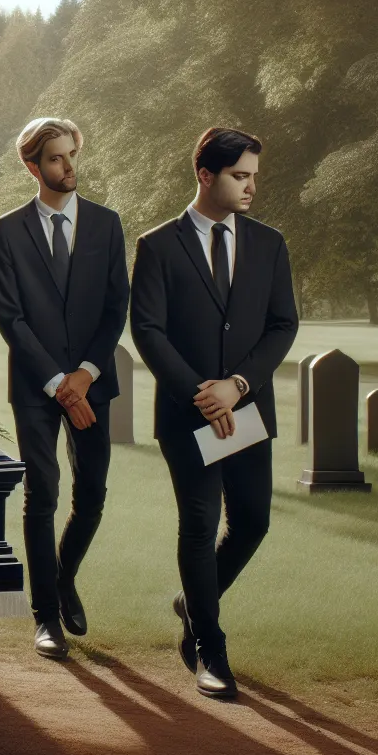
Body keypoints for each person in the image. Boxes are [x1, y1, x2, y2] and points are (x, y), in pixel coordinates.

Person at [129, 127, 298, 700]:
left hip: (248, 407)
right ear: (206, 175)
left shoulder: (270, 244)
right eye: (240, 175)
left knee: (253, 522)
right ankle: (210, 647)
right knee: (200, 525)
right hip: (188, 412)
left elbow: (283, 325)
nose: (252, 186)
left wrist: (238, 385)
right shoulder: (157, 245)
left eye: (254, 175)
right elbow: (147, 328)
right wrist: (201, 393)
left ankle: (192, 602)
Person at [0, 118, 129, 660]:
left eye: (72, 156)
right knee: (41, 495)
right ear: (32, 166)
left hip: (93, 379)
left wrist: (85, 375)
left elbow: (117, 305)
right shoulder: (8, 230)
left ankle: (64, 576)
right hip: (35, 385)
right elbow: (11, 316)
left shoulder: (107, 225)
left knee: (91, 495)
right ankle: (46, 615)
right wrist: (56, 383)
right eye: (55, 159)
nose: (68, 167)